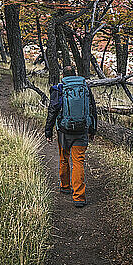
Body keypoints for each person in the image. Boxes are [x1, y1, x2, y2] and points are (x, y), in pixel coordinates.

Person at [45, 65, 97, 208]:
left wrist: (48, 131)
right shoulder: (85, 87)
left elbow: (53, 110)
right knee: (78, 162)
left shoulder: (60, 88)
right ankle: (79, 197)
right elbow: (92, 108)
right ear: (75, 74)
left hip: (64, 131)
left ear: (64, 75)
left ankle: (65, 186)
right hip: (82, 131)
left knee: (64, 159)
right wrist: (93, 130)